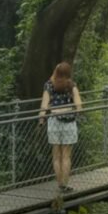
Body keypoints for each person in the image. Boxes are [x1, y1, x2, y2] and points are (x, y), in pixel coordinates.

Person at [38, 62, 82, 192]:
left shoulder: (49, 86)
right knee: (66, 156)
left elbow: (44, 104)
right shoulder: (71, 85)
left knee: (56, 155)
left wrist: (41, 119)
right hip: (69, 122)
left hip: (54, 121)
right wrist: (76, 111)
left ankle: (60, 185)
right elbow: (79, 104)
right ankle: (66, 184)